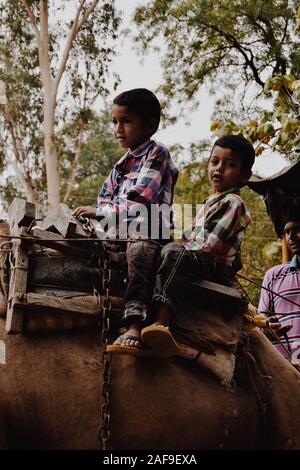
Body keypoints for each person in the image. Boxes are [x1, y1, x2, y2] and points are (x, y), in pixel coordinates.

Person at [73, 88, 178, 355]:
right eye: (115, 122)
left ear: (150, 124)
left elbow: (141, 199)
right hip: (118, 233)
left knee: (140, 248)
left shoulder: (157, 154)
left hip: (151, 231)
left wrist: (102, 213)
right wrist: (101, 215)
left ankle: (134, 323)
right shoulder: (120, 166)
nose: (118, 128)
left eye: (127, 121)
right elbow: (103, 199)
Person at [141, 134, 255, 356]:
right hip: (195, 257)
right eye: (215, 162)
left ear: (244, 176)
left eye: (230, 165)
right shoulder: (208, 203)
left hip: (213, 267)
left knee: (174, 253)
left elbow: (208, 245)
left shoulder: (234, 202)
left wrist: (174, 248)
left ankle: (162, 321)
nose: (219, 169)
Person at [258, 215, 300, 366]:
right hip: (284, 369)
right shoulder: (273, 275)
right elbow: (260, 323)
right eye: (287, 232)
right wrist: (268, 329)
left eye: (297, 230)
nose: (291, 237)